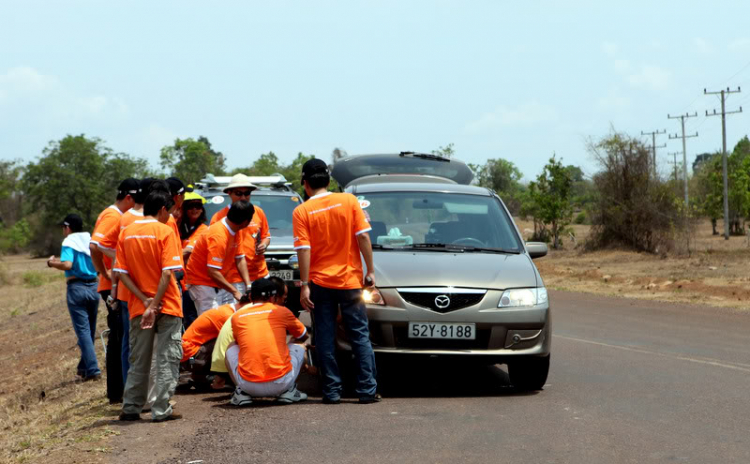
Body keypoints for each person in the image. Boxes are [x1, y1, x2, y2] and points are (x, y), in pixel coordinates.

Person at [293, 158, 380, 404]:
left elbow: (304, 250)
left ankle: (331, 392)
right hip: (351, 282)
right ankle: (367, 391)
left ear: (305, 183)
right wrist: (370, 271)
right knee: (360, 336)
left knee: (325, 338)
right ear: (328, 180)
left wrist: (305, 284)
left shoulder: (302, 211)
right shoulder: (349, 200)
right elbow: (363, 237)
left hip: (320, 284)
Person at [114, 190, 184, 422]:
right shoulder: (164, 231)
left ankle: (131, 407)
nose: (171, 215)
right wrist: (154, 305)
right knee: (166, 358)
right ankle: (161, 409)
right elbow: (167, 274)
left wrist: (144, 301)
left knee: (139, 358)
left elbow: (121, 275)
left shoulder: (127, 233)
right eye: (171, 211)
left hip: (138, 307)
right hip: (168, 305)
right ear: (163, 209)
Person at [97, 178, 154, 387]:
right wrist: (106, 271)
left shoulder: (123, 217)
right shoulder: (120, 217)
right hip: (129, 291)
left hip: (126, 288)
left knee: (126, 342)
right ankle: (128, 391)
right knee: (129, 343)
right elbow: (97, 243)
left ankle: (125, 392)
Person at [90, 177, 139, 404]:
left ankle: (118, 391)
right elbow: (96, 245)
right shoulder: (113, 216)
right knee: (119, 338)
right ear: (129, 197)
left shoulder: (113, 214)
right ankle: (118, 391)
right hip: (112, 285)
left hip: (114, 283)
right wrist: (106, 272)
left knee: (118, 337)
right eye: (136, 200)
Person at [226, 279, 308, 406]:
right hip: (281, 383)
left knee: (231, 346)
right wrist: (289, 343)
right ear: (273, 297)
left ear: (250, 296)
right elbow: (304, 335)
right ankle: (289, 391)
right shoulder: (282, 311)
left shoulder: (237, 316)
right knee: (299, 344)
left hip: (249, 385)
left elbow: (239, 343)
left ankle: (241, 393)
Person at [47, 214, 101, 381]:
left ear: (67, 227)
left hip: (76, 288)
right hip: (94, 286)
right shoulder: (89, 240)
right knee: (90, 330)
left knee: (83, 331)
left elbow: (67, 265)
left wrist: (51, 263)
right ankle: (84, 367)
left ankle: (93, 369)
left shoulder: (69, 242)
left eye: (63, 227)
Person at [209, 276, 289, 388]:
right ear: (273, 297)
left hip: (220, 367)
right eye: (284, 298)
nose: (284, 302)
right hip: (239, 371)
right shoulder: (269, 313)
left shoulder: (244, 311)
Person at [185, 201, 254, 314]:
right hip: (203, 283)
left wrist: (248, 285)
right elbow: (212, 271)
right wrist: (235, 292)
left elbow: (240, 258)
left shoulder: (236, 229)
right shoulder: (219, 236)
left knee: (226, 319)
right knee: (211, 322)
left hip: (220, 283)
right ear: (246, 221)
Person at [210, 173, 271, 284]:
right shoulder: (219, 217)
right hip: (233, 277)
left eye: (247, 193)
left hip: (260, 273)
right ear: (229, 193)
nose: (243, 197)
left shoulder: (258, 212)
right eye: (238, 193)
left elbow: (266, 236)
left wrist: (264, 244)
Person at [179, 296, 244, 390]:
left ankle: (199, 377)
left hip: (189, 356)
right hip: (191, 358)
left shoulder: (227, 310)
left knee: (225, 341)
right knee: (230, 343)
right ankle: (222, 379)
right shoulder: (227, 316)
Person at [180, 189, 208, 329]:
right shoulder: (179, 228)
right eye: (191, 206)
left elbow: (187, 252)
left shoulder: (203, 230)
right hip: (179, 281)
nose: (195, 209)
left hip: (194, 283)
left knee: (192, 319)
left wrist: (168, 258)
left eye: (198, 206)